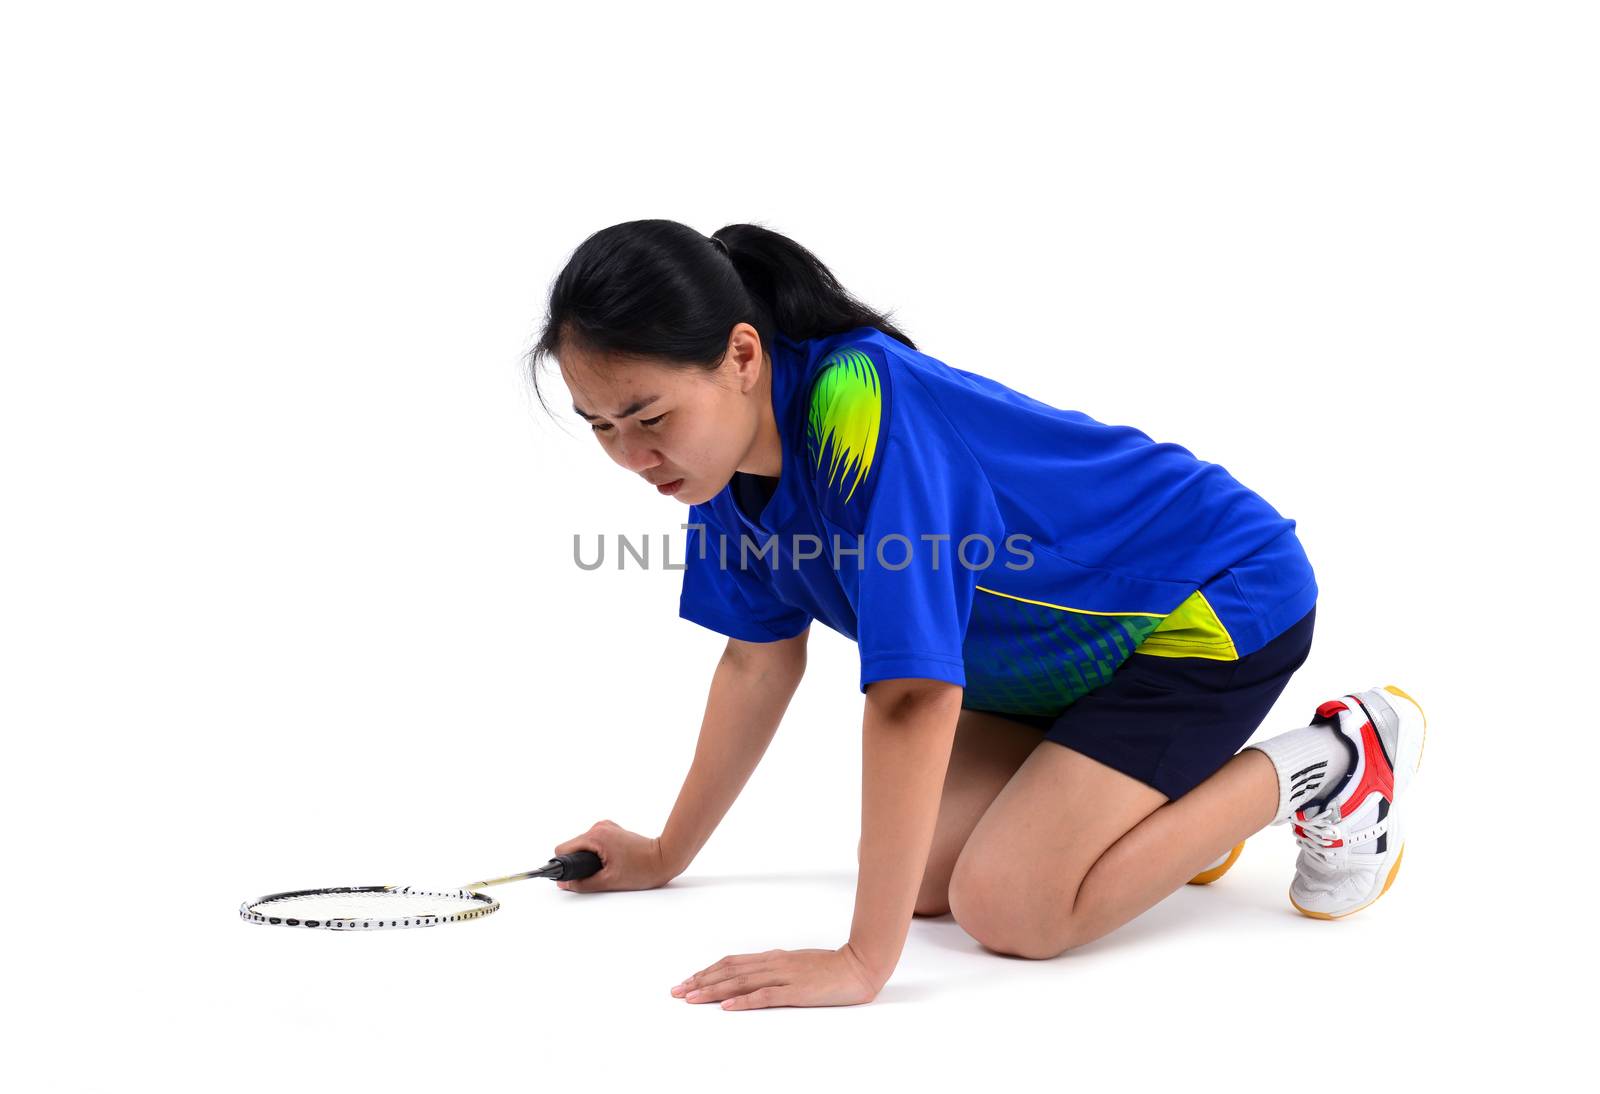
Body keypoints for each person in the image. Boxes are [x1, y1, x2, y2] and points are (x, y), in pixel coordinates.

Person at [527, 219, 1428, 1011]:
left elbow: (914, 695)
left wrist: (860, 960)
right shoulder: (713, 471)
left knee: (1014, 909)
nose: (632, 455)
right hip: (1048, 660)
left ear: (742, 357)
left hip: (1203, 603)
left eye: (646, 415)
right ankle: (1169, 805)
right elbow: (759, 662)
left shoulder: (856, 411)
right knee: (924, 880)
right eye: (600, 426)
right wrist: (664, 853)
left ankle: (1342, 757)